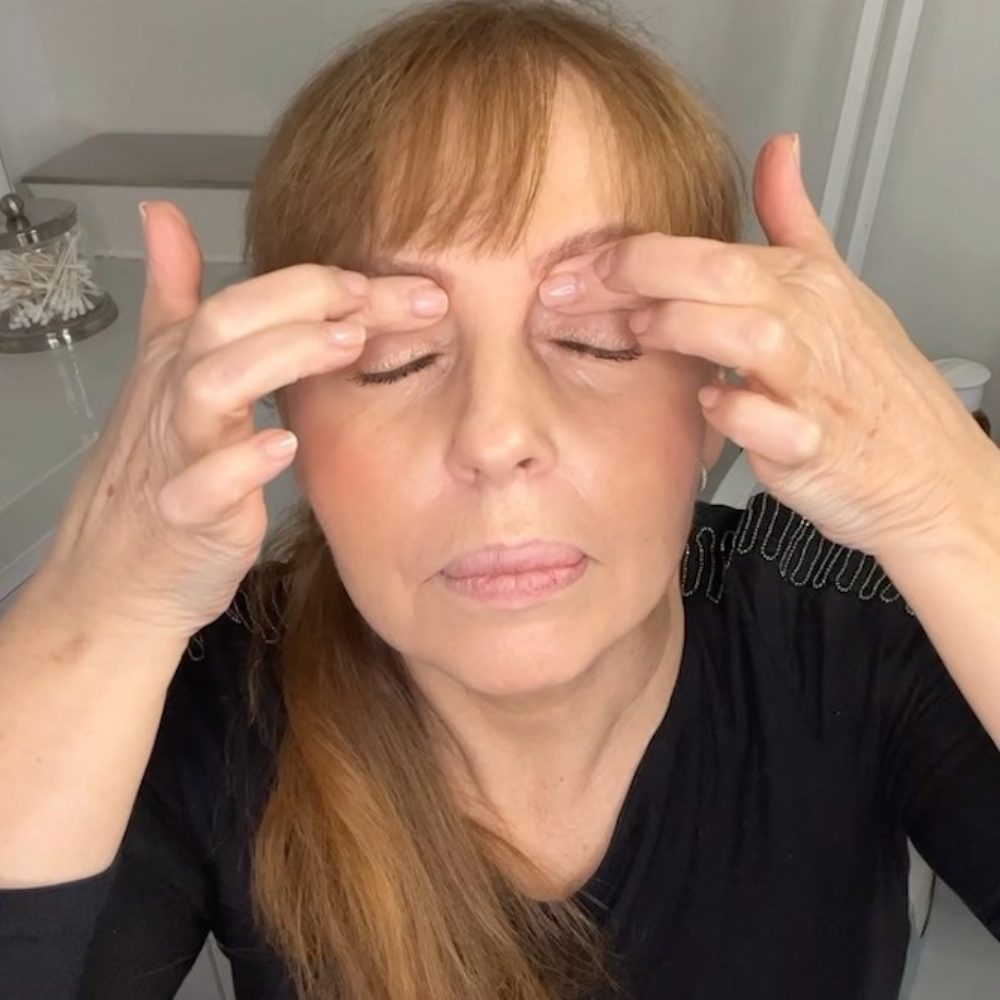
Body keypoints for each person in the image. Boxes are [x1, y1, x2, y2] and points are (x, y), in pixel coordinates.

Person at [1, 1, 999, 998]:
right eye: (398, 357)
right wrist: (97, 616)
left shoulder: (848, 609)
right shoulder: (209, 696)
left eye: (595, 336)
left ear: (714, 391)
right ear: (287, 411)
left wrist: (951, 506)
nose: (494, 434)